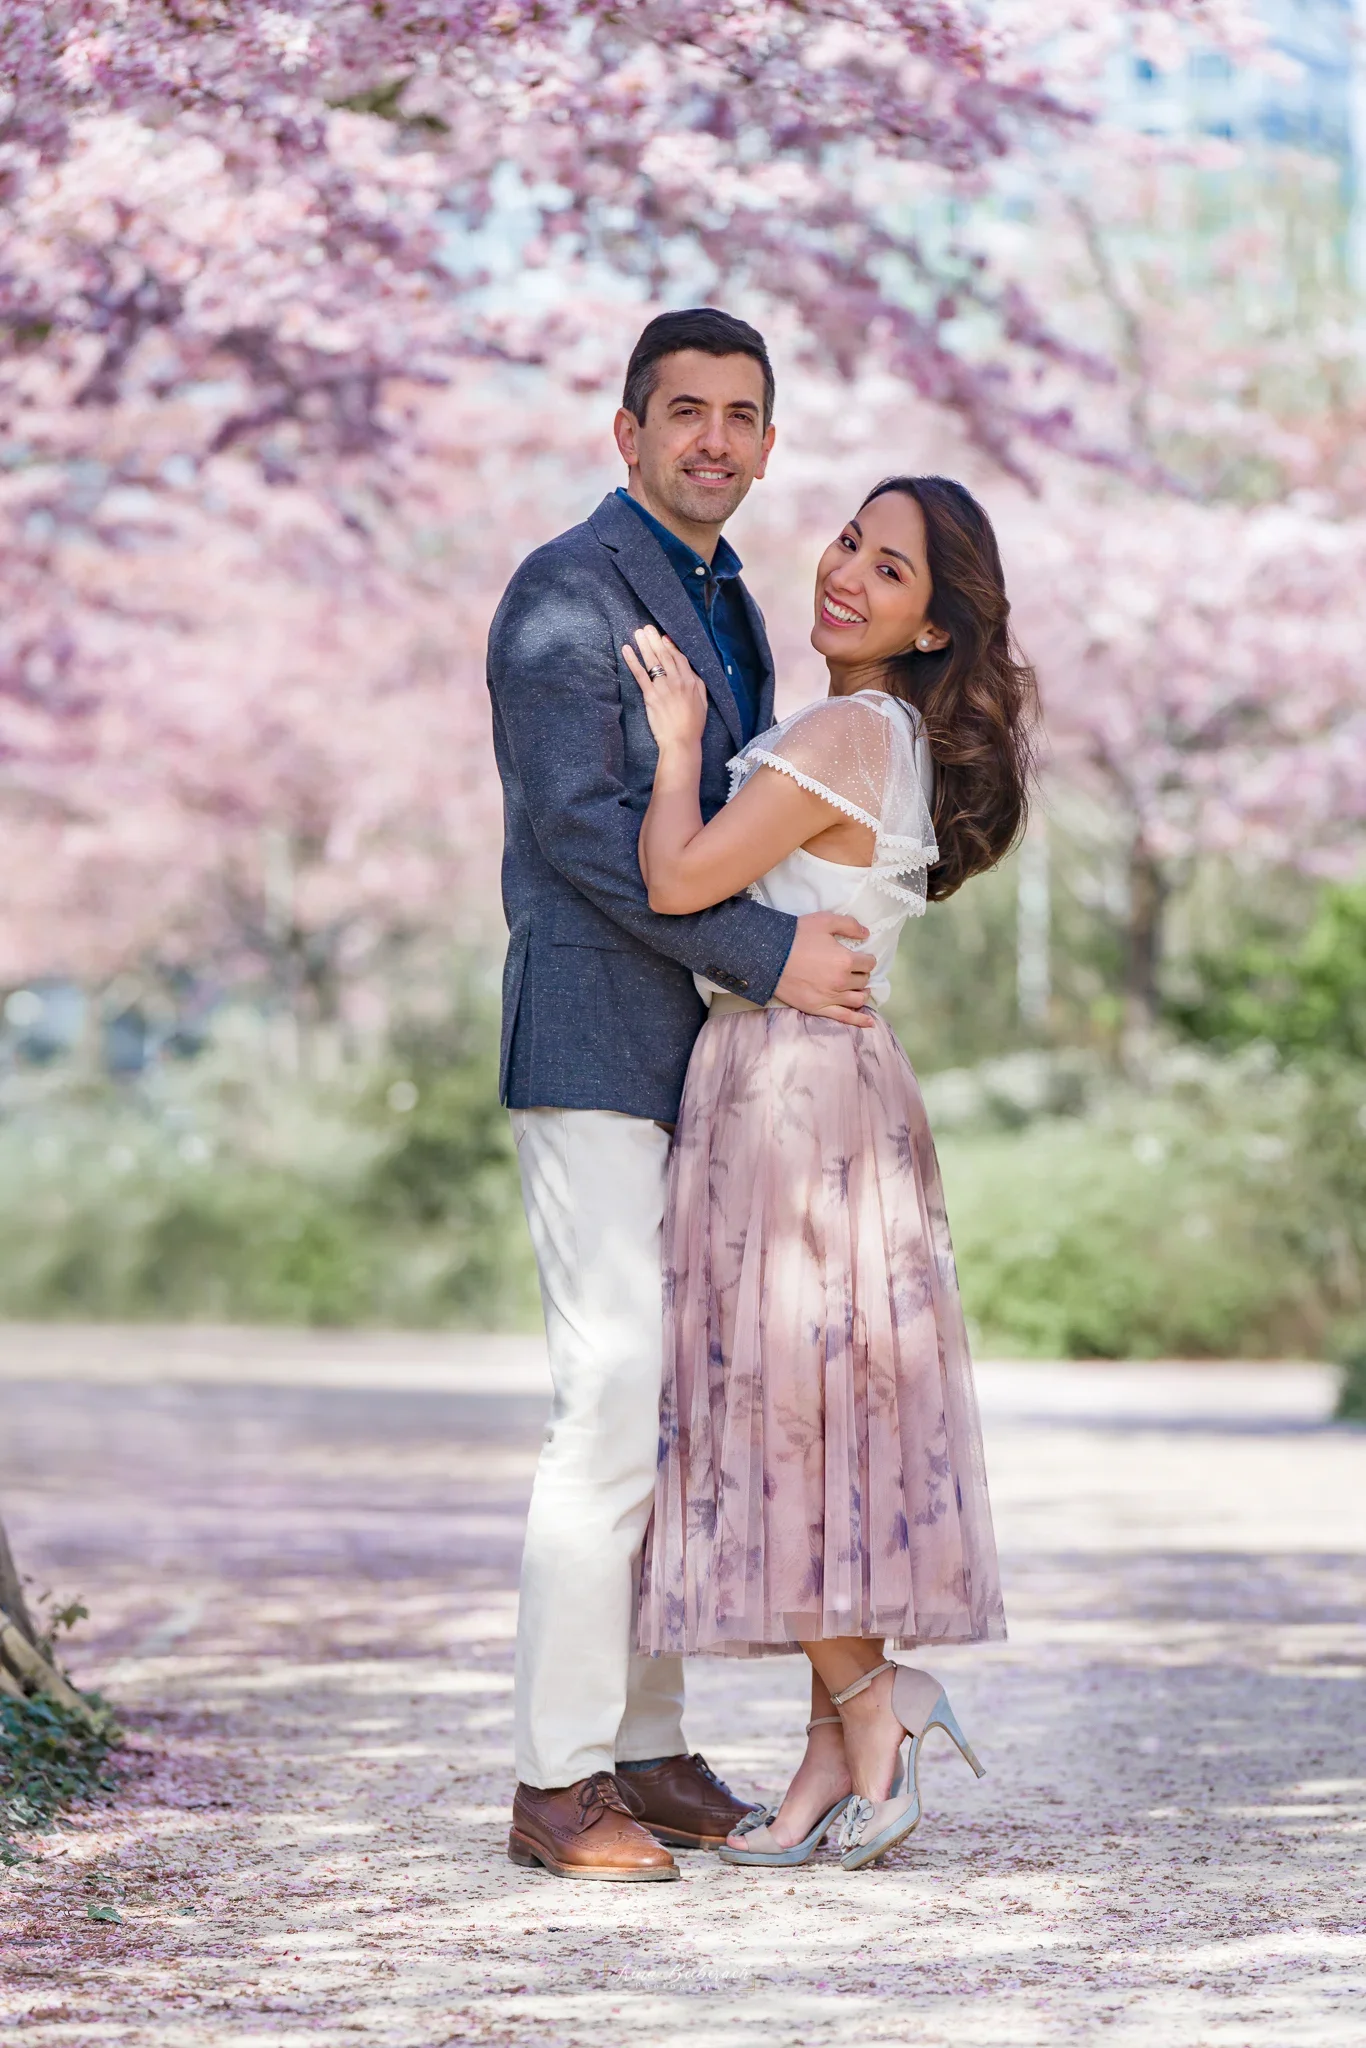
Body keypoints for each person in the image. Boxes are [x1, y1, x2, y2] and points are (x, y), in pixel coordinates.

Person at [487, 308, 878, 1881]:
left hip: (703, 1062)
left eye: (740, 416)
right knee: (607, 1396)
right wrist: (774, 952)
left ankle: (642, 1751)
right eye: (684, 412)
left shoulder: (728, 606)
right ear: (626, 430)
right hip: (591, 1039)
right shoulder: (561, 594)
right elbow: (585, 830)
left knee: (665, 1404)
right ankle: (551, 1781)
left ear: (767, 444)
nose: (713, 438)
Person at [632, 475, 1034, 1870]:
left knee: (778, 1418)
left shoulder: (847, 730)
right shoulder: (879, 736)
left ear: (933, 628)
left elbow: (678, 882)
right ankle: (828, 1757)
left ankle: (879, 1694)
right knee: (816, 1423)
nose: (847, 573)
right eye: (851, 543)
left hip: (788, 1088)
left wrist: (677, 742)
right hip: (819, 1082)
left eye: (892, 570)